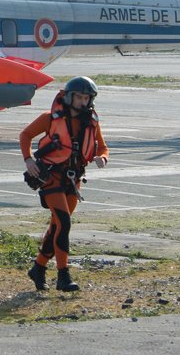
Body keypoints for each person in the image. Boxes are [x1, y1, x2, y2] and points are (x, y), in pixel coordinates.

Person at [20, 76, 108, 292]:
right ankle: (63, 276)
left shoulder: (92, 122)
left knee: (57, 226)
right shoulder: (50, 118)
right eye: (79, 97)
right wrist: (28, 159)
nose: (83, 102)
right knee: (64, 223)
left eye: (87, 98)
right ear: (69, 97)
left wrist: (102, 158)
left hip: (74, 179)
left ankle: (38, 268)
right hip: (51, 177)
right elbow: (26, 135)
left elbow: (103, 148)